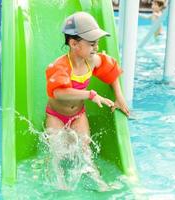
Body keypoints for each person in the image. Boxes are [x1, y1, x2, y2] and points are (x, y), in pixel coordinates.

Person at [45, 11, 130, 190]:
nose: (96, 47)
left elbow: (112, 70)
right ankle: (59, 187)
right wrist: (90, 94)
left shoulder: (92, 60)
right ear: (74, 43)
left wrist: (119, 97)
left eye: (97, 43)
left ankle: (99, 182)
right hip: (56, 116)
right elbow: (59, 93)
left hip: (78, 115)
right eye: (92, 44)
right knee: (56, 153)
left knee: (86, 151)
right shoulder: (61, 65)